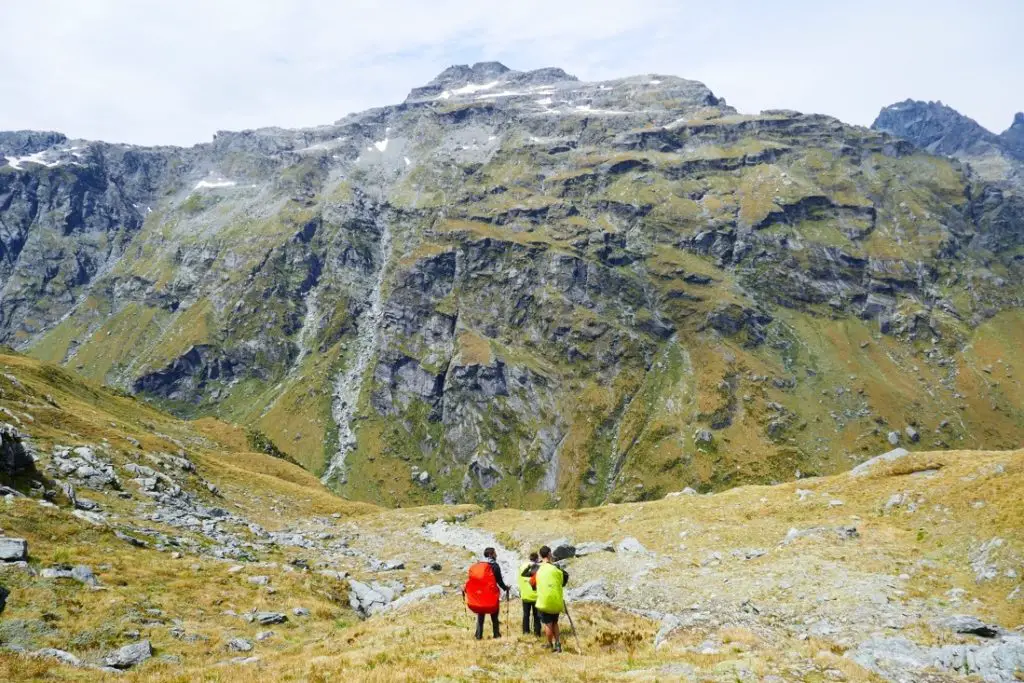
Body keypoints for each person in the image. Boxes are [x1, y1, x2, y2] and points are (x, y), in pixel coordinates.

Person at [530, 544, 569, 652]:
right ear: (549, 554)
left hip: (544, 599)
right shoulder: (556, 568)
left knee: (548, 623)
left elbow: (532, 583)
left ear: (541, 555)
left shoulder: (537, 567)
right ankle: (558, 644)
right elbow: (564, 578)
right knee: (555, 622)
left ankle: (550, 644)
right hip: (556, 599)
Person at [464, 547, 509, 639]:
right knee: (494, 616)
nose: (496, 555)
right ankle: (496, 634)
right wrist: (506, 588)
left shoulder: (478, 565)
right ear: (490, 554)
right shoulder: (495, 566)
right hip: (491, 595)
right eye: (495, 553)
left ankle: (478, 635)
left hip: (480, 595)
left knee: (480, 617)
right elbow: (499, 581)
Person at [518, 552, 541, 636]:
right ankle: (537, 632)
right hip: (536, 595)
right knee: (536, 615)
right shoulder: (538, 568)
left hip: (525, 595)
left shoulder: (522, 567)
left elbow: (519, 579)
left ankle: (525, 632)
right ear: (536, 559)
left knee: (526, 614)